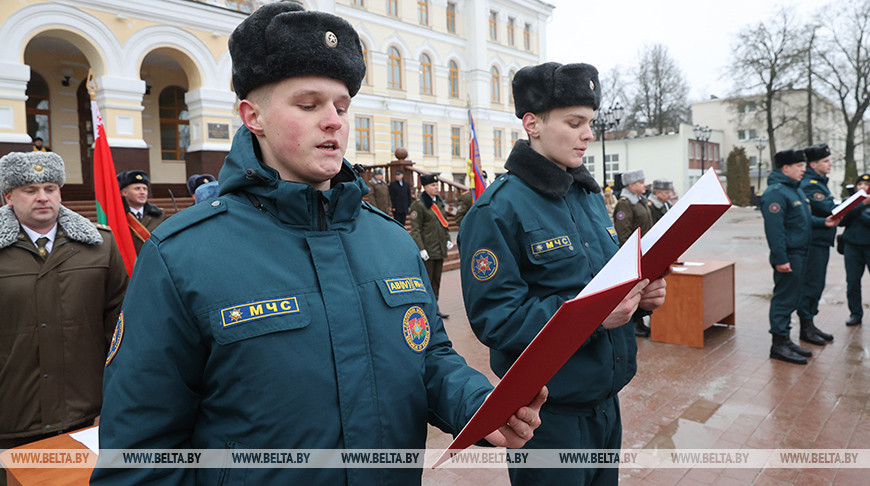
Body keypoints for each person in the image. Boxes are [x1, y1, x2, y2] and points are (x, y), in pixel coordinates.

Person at [91, 4, 545, 484]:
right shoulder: (181, 254)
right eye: (309, 105)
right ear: (253, 116)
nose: (333, 121)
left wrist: (479, 404)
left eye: (343, 106)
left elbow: (427, 355)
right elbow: (139, 458)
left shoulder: (390, 240)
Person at [459, 61, 666, 486]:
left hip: (606, 403)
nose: (588, 133)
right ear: (532, 124)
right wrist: (592, 314)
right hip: (547, 418)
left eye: (589, 122)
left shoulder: (587, 195)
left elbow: (603, 281)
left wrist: (639, 299)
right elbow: (497, 321)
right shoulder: (497, 211)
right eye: (575, 123)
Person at [0, 152, 127, 474]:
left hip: (85, 410)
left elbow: (120, 328)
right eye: (30, 190)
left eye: (50, 188)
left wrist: (116, 398)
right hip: (13, 413)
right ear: (9, 197)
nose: (42, 197)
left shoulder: (100, 245)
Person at [761, 149, 836, 365]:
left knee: (793, 297)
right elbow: (775, 233)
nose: (804, 170)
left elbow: (803, 219)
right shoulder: (775, 193)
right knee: (784, 299)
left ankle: (785, 339)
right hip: (789, 256)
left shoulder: (793, 190)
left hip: (801, 253)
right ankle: (778, 344)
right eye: (799, 166)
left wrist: (824, 222)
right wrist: (781, 259)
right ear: (786, 168)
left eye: (804, 166)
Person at [797, 144, 836, 344]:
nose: (830, 164)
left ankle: (810, 324)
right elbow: (827, 208)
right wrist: (859, 204)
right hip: (813, 242)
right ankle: (806, 327)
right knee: (811, 284)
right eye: (826, 161)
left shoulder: (818, 182)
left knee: (817, 284)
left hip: (820, 241)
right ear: (813, 164)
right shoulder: (810, 184)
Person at [410, 173, 454, 318]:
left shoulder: (439, 202)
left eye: (437, 185)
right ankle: (426, 309)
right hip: (428, 250)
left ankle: (434, 307)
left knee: (436, 280)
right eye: (433, 185)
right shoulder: (419, 205)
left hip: (439, 248)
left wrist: (447, 238)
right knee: (427, 281)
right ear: (425, 187)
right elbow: (415, 229)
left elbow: (444, 223)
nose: (436, 188)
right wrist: (421, 248)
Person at [840, 173, 870, 326]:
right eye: (860, 185)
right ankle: (855, 313)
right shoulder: (849, 202)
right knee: (852, 282)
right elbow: (841, 220)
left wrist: (861, 210)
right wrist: (859, 206)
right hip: (852, 247)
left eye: (866, 185)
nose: (862, 187)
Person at [117, 169, 168, 253]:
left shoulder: (159, 216)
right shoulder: (118, 216)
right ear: (124, 192)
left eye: (145, 189)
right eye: (137, 189)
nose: (142, 192)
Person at [613, 169, 652, 246]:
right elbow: (623, 233)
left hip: (645, 247)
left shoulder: (640, 201)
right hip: (635, 251)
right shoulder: (625, 204)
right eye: (641, 182)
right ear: (631, 186)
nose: (645, 185)